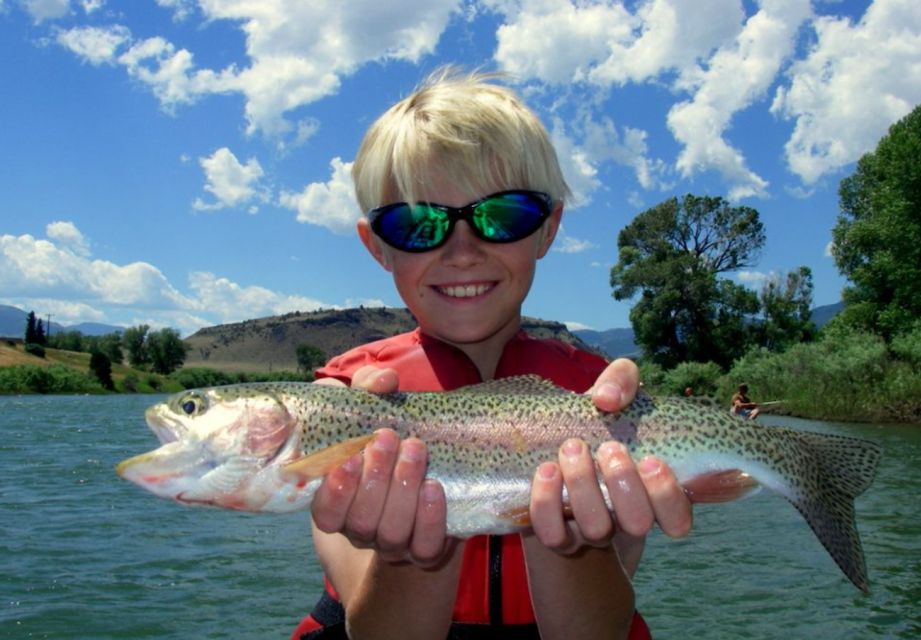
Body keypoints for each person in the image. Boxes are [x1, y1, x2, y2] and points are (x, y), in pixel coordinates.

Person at [292, 68, 693, 640]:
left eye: (502, 216)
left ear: (547, 230)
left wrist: (572, 544)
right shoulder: (334, 414)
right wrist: (409, 553)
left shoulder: (604, 403)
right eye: (416, 223)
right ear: (377, 246)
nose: (462, 252)